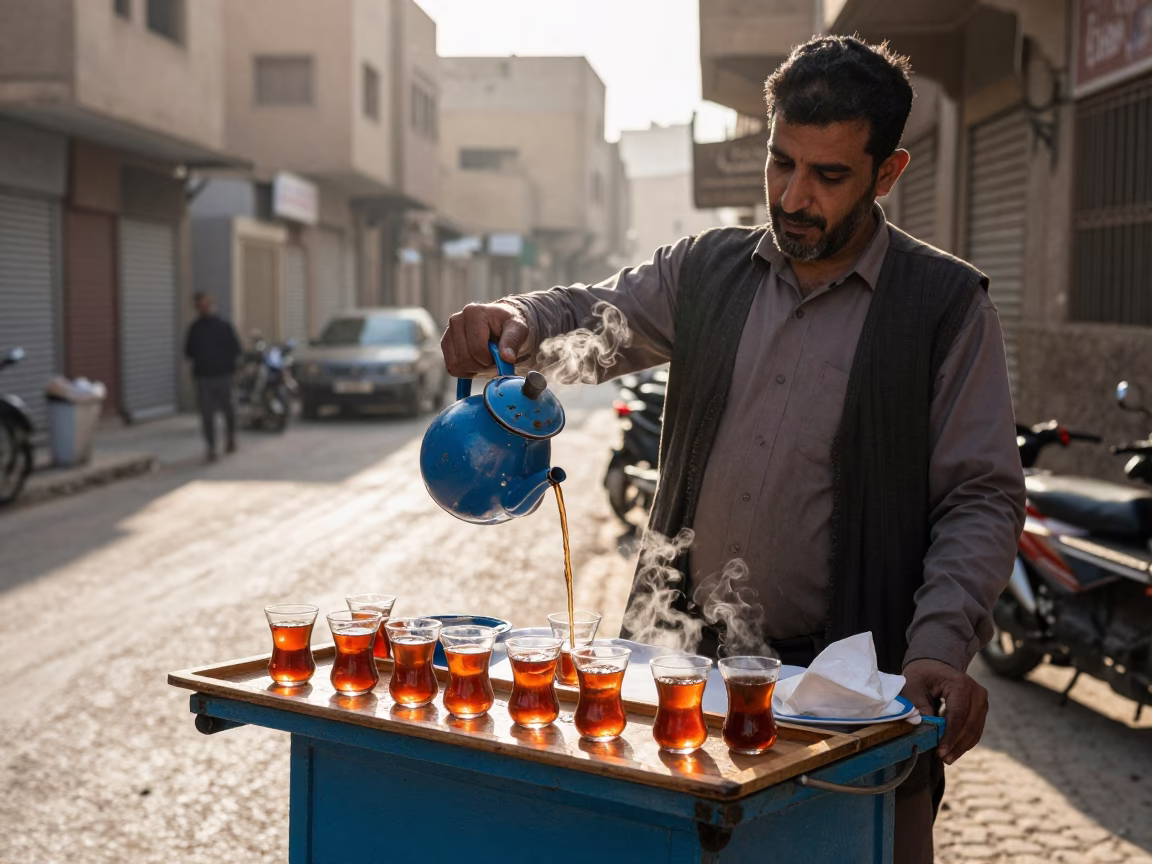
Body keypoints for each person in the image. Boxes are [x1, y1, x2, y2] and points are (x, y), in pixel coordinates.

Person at [442, 36, 1026, 862]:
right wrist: (517, 319)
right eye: (780, 163)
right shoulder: (707, 272)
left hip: (849, 703)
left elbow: (982, 495)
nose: (793, 197)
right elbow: (593, 313)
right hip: (684, 680)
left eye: (828, 177)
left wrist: (939, 645)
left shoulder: (945, 307)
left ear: (887, 174)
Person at [185, 292, 242, 462]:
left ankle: (230, 439)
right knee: (207, 415)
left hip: (223, 376)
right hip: (204, 377)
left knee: (228, 411)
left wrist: (234, 370)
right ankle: (211, 447)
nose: (204, 308)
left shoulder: (224, 326)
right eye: (200, 306)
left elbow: (235, 349)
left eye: (206, 304)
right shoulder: (195, 329)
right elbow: (189, 352)